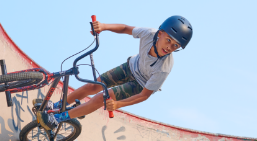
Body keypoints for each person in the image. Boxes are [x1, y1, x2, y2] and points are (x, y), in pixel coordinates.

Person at [37, 15, 193, 130]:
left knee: (100, 98)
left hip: (140, 85)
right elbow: (125, 28)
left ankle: (57, 118)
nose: (169, 47)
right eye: (168, 40)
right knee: (94, 85)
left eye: (175, 46)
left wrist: (118, 104)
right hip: (130, 67)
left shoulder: (163, 68)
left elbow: (144, 95)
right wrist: (103, 26)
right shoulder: (149, 33)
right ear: (160, 33)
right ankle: (57, 105)